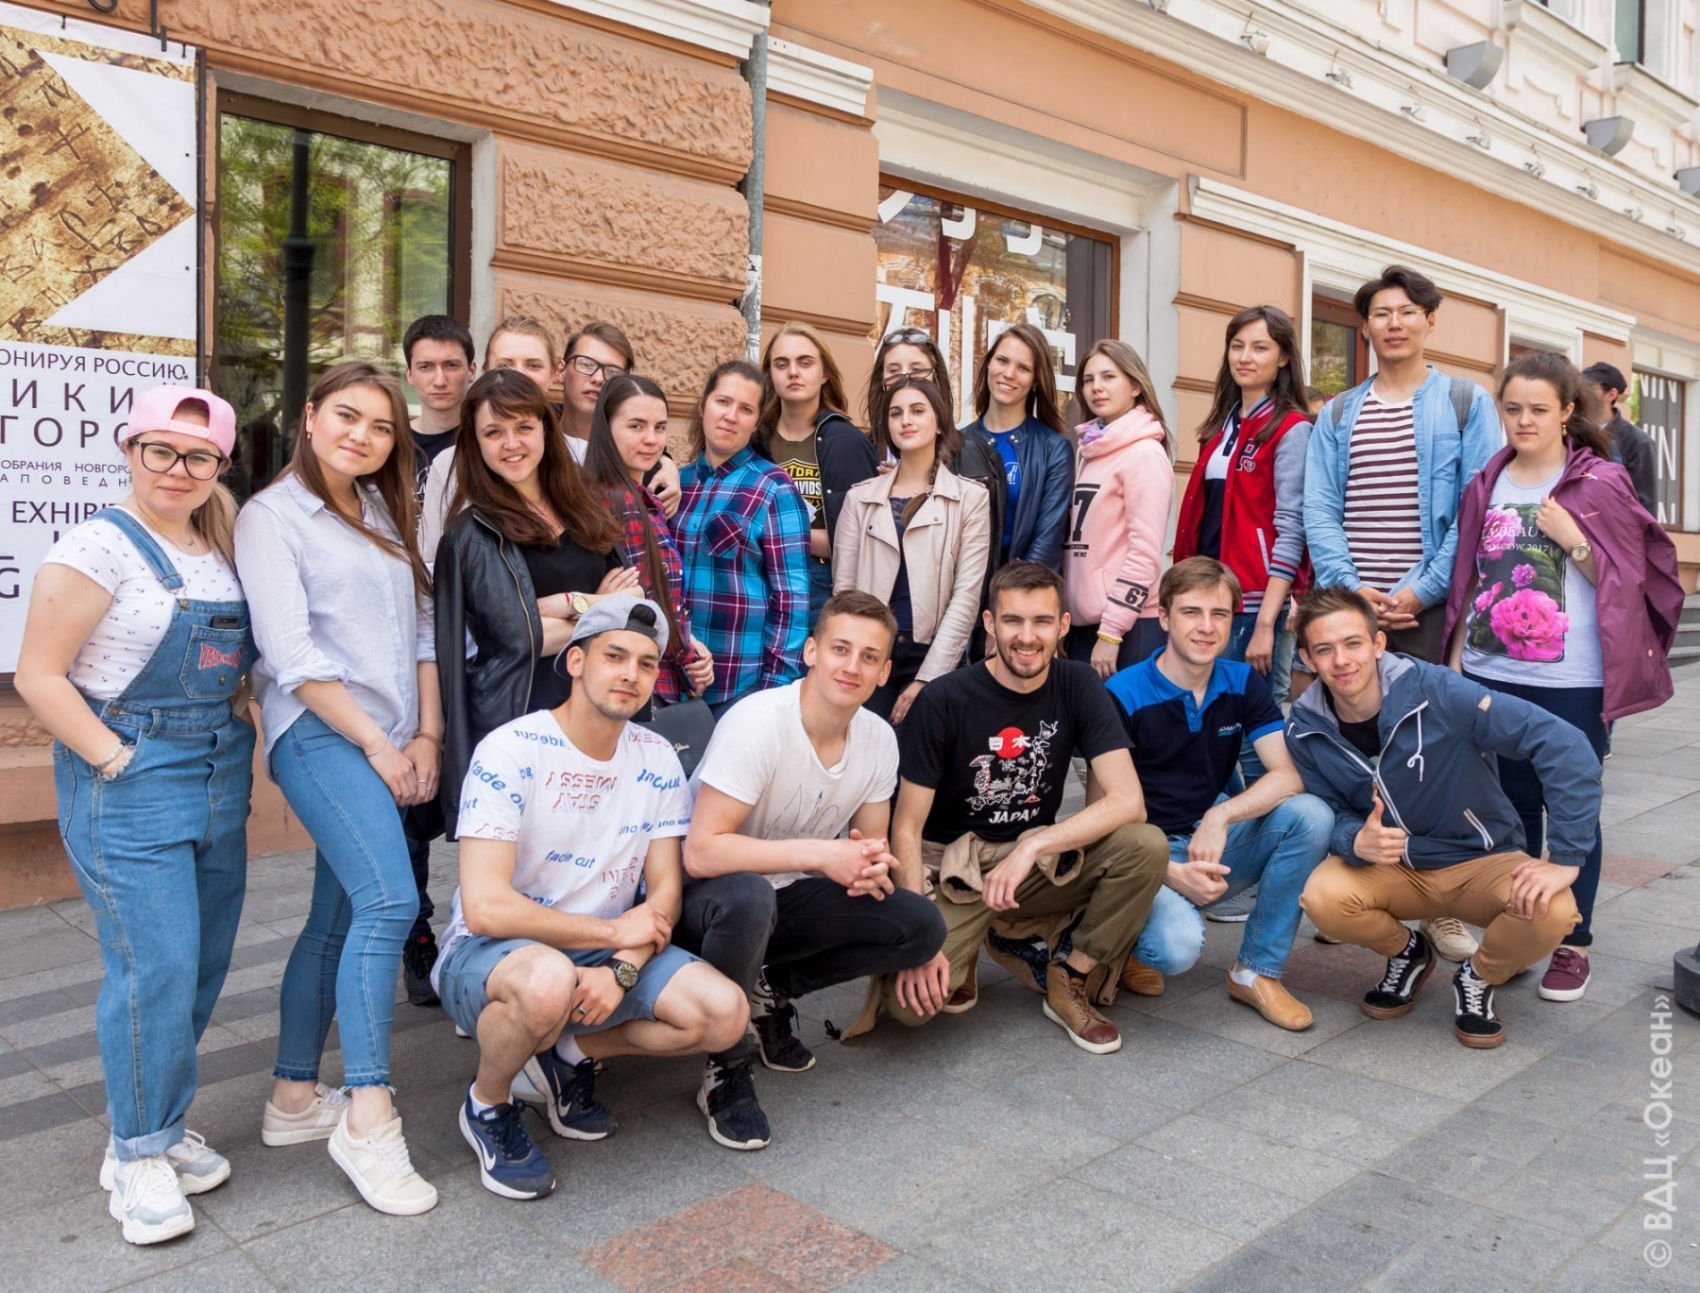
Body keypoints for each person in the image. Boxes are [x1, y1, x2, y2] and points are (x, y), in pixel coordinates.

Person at [15, 386, 251, 1245]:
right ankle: (136, 1153)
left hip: (218, 768)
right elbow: (39, 674)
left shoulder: (219, 544)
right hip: (132, 769)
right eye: (161, 450)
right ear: (129, 449)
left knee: (202, 960)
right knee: (155, 964)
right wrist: (115, 759)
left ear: (220, 464)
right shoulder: (96, 546)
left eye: (199, 456)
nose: (177, 470)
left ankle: (160, 1118)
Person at [430, 597, 748, 1199]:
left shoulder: (656, 757)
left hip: (604, 953)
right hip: (496, 952)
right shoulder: (511, 749)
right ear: (575, 662)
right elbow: (486, 908)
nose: (631, 674)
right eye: (614, 656)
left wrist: (621, 970)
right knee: (546, 981)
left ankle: (565, 1054)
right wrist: (612, 935)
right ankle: (489, 1103)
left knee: (725, 1015)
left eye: (647, 664)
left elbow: (665, 893)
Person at [236, 361, 440, 1216]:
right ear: (310, 417)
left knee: (339, 915)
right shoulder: (270, 516)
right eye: (348, 416)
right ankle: (368, 1113)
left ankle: (292, 1098)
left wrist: (426, 734)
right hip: (322, 733)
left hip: (388, 736)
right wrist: (378, 745)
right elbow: (291, 653)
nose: (363, 435)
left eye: (382, 426)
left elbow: (423, 628)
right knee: (391, 901)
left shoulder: (382, 511)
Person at [1444, 353, 1682, 1003]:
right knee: (1513, 808)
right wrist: (1456, 658)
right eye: (1512, 408)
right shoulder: (1488, 480)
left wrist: (1575, 539)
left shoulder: (1600, 481)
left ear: (1567, 412)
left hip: (1572, 679)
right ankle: (1528, 932)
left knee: (1573, 808)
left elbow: (1631, 581)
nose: (1524, 420)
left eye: (1539, 409)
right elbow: (1470, 578)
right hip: (1492, 671)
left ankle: (1574, 942)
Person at [862, 561, 1169, 1054]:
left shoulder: (1078, 684)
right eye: (1013, 621)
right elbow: (907, 828)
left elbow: (1128, 801)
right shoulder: (943, 699)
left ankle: (1068, 976)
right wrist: (917, 933)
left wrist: (1034, 847)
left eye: (1042, 621)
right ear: (990, 624)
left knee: (1145, 846)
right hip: (954, 870)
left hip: (1030, 866)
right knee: (911, 1007)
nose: (1027, 637)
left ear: (1063, 625)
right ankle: (978, 941)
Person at [676, 592, 948, 1150]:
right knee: (750, 897)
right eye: (840, 649)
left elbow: (868, 852)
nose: (852, 666)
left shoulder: (878, 737)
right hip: (703, 903)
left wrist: (878, 880)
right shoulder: (759, 723)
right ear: (810, 652)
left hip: (787, 893)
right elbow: (700, 853)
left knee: (920, 924)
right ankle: (725, 1065)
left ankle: (767, 993)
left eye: (869, 657)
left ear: (884, 672)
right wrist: (821, 856)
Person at [1290, 587, 1601, 1049]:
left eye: (1353, 643)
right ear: (1307, 658)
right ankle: (1409, 953)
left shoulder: (1436, 690)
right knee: (1323, 897)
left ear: (1378, 644)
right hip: (1395, 866)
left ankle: (1478, 977)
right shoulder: (1305, 726)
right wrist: (1353, 838)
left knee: (1553, 909)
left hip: (1479, 857)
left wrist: (1566, 857)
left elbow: (1563, 745)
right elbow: (1327, 809)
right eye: (1324, 649)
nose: (1342, 660)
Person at [1103, 558, 1333, 1029]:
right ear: (1163, 617)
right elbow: (1101, 817)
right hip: (1141, 855)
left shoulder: (1240, 681)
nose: (1207, 627)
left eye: (1220, 614)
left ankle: (1255, 972)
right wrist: (1168, 872)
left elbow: (1288, 775)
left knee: (1311, 815)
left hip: (1206, 842)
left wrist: (1220, 816)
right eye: (1191, 612)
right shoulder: (1122, 693)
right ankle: (1128, 944)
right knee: (1175, 948)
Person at [433, 368, 640, 842]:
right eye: (494, 432)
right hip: (523, 724)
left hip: (599, 714)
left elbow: (632, 605)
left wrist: (560, 606)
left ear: (546, 428)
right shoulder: (473, 537)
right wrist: (595, 604)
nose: (511, 444)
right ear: (476, 443)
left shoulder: (585, 508)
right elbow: (524, 638)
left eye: (523, 426)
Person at [1303, 265, 1499, 664]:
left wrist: (1424, 591)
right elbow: (1319, 508)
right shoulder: (1338, 413)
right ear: (1365, 327)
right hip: (1349, 609)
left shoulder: (1467, 402)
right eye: (1382, 314)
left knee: (1426, 705)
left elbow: (1476, 510)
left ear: (1430, 321)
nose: (1395, 324)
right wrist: (1349, 589)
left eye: (1407, 312)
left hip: (1429, 611)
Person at [398, 313, 477, 1007]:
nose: (440, 378)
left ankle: (476, 923)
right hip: (401, 633)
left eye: (452, 364)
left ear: (471, 370)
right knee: (410, 789)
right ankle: (414, 930)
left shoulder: (489, 440)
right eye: (427, 365)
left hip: (471, 635)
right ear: (409, 374)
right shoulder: (389, 444)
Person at [1172, 306, 1312, 698]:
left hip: (1254, 603)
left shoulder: (1292, 429)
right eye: (1237, 346)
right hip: (1206, 593)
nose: (1245, 357)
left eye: (1259, 347)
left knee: (1251, 714)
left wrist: (1266, 622)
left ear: (1283, 357)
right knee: (1204, 708)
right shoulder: (1220, 427)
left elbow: (1292, 529)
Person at [834, 379, 992, 723]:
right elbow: (844, 595)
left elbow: (966, 596)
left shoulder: (971, 499)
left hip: (934, 656)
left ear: (940, 423)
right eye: (896, 413)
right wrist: (854, 661)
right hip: (869, 655)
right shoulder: (859, 498)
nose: (905, 420)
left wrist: (928, 678)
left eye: (917, 411)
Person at [672, 359, 811, 713]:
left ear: (756, 421)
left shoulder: (774, 488)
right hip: (669, 680)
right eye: (723, 402)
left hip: (739, 687)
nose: (731, 416)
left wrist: (773, 692)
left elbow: (791, 599)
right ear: (703, 407)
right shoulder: (676, 484)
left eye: (745, 409)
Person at [583, 374, 715, 704]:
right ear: (607, 428)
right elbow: (646, 604)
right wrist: (690, 659)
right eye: (636, 426)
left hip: (647, 677)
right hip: (642, 685)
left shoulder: (641, 497)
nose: (651, 439)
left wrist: (689, 644)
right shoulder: (620, 501)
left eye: (660, 427)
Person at [1064, 339, 1174, 675]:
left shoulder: (1144, 454)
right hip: (1085, 627)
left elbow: (1145, 554)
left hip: (1127, 629)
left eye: (1109, 377)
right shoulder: (1091, 450)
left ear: (1136, 386)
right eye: (1088, 379)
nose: (1096, 387)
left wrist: (1111, 632)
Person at [756, 321, 877, 617]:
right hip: (758, 581)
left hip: (822, 589)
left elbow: (862, 540)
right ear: (770, 375)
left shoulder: (847, 442)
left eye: (805, 362)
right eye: (781, 364)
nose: (793, 372)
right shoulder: (755, 439)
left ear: (824, 374)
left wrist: (782, 533)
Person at [420, 317, 566, 556]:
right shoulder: (449, 465)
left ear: (555, 373)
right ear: (486, 372)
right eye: (505, 365)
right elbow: (432, 561)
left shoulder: (580, 456)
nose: (519, 376)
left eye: (533, 365)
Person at [864, 325, 1005, 545]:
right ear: (881, 381)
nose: (905, 378)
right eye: (894, 371)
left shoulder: (974, 454)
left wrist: (916, 484)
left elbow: (984, 543)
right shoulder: (861, 449)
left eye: (917, 370)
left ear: (936, 378)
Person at [961, 322, 1073, 572]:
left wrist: (1012, 589)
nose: (1009, 373)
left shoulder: (1053, 449)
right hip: (964, 587)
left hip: (1024, 587)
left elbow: (1048, 540)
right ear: (989, 364)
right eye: (1002, 361)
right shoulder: (957, 444)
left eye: (1023, 368)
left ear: (1035, 380)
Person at [1579, 361, 1657, 513]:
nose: (1582, 394)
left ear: (1611, 394)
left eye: (1589, 388)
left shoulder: (1637, 441)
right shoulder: (1572, 433)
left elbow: (1644, 505)